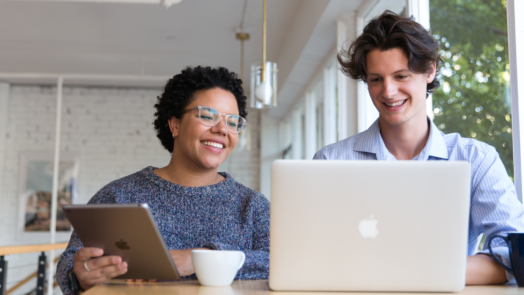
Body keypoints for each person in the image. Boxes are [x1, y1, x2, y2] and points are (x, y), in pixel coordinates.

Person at [314, 11, 524, 285]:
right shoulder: (330, 162)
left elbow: (514, 255)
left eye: (401, 76)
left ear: (430, 70)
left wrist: (409, 270)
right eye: (376, 79)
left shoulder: (476, 159)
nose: (388, 91)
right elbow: (313, 254)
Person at [56, 66, 270, 294]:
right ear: (175, 124)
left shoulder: (253, 205)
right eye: (208, 116)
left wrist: (200, 259)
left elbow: (281, 262)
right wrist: (80, 274)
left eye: (233, 122)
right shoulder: (119, 195)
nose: (222, 129)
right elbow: (70, 263)